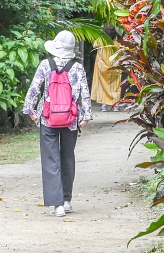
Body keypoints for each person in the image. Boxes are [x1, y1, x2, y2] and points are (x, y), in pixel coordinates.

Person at [22, 30, 93, 218]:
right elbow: (84, 93)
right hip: (70, 120)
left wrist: (30, 110)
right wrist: (85, 116)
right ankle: (67, 200)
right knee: (67, 157)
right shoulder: (77, 67)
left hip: (48, 119)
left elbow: (34, 88)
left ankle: (57, 205)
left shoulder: (46, 64)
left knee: (50, 159)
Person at [90, 41, 122, 112]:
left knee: (103, 86)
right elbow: (122, 50)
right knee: (115, 86)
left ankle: (104, 105)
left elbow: (95, 45)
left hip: (102, 67)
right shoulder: (117, 42)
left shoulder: (101, 41)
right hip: (115, 67)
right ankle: (116, 105)